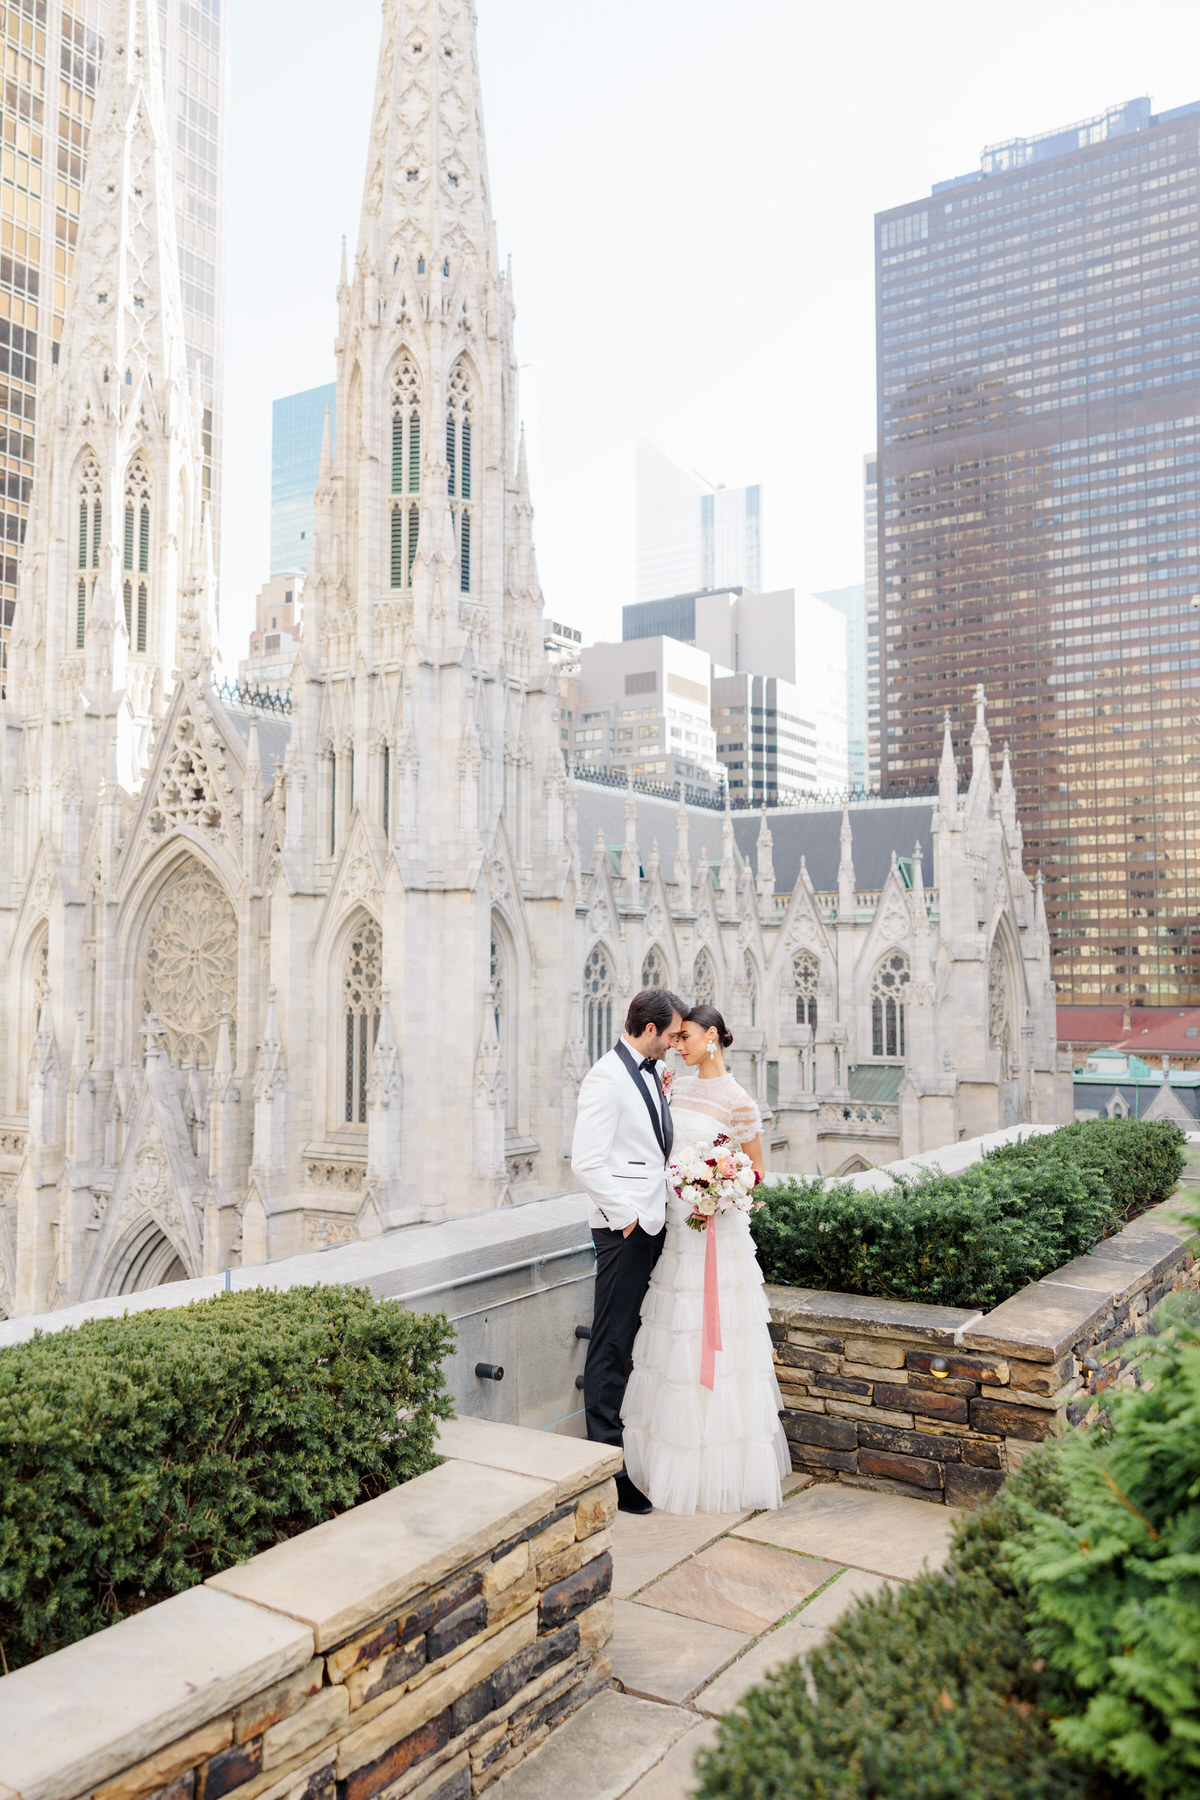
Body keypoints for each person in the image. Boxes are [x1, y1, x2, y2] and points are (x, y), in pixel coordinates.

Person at [622, 1003, 790, 1514]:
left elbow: (758, 1169)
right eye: (675, 1039)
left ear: (711, 1037)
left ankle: (719, 1466)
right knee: (674, 1338)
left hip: (717, 1231)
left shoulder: (738, 1100)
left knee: (718, 1343)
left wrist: (721, 1188)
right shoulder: (674, 1084)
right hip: (676, 1230)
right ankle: (664, 1456)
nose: (677, 1045)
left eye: (686, 1037)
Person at [571, 986, 685, 1514]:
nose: (673, 1043)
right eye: (669, 1035)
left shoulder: (650, 1071)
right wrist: (629, 1219)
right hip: (624, 1231)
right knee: (611, 1345)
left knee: (631, 1341)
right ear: (648, 1030)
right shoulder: (605, 1077)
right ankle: (609, 1472)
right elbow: (586, 1162)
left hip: (653, 1222)